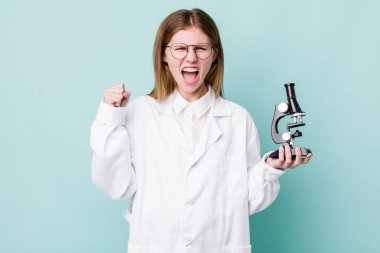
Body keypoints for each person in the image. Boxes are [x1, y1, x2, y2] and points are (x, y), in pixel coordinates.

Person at [90, 8, 311, 253]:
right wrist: (110, 119)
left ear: (214, 55)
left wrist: (271, 168)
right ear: (164, 55)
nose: (191, 58)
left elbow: (245, 201)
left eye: (201, 48)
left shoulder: (237, 119)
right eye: (180, 48)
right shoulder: (140, 113)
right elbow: (115, 186)